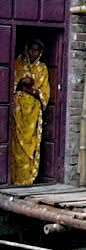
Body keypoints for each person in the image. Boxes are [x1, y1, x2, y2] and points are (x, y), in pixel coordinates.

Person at [11, 39, 50, 185]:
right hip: (18, 112)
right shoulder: (18, 64)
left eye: (37, 50)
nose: (34, 53)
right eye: (32, 50)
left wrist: (32, 90)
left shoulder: (42, 68)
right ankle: (16, 178)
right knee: (17, 145)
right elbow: (12, 84)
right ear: (27, 50)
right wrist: (21, 83)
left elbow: (45, 93)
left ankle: (28, 178)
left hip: (33, 113)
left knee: (31, 143)